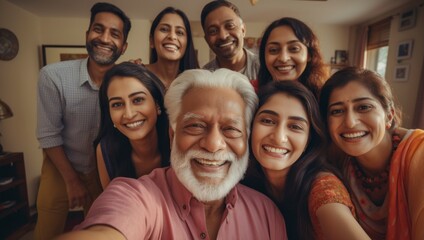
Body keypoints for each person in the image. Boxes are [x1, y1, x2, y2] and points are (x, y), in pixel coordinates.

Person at [55, 69, 287, 240]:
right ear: (172, 134)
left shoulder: (268, 214)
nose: (214, 144)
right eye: (195, 125)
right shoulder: (137, 194)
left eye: (231, 129)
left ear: (246, 139)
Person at [35, 2, 131, 239]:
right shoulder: (53, 75)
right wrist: (71, 180)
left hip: (103, 169)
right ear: (87, 34)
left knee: (101, 228)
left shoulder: (126, 81)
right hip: (60, 164)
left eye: (115, 34)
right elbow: (48, 134)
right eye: (98, 29)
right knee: (47, 230)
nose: (105, 38)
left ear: (124, 46)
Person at [243, 80, 369, 239]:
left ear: (308, 140)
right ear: (251, 126)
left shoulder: (323, 188)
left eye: (295, 126)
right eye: (268, 121)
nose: (279, 137)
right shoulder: (243, 182)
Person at [319, 67, 424, 240]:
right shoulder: (336, 162)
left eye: (363, 107)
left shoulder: (422, 153)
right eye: (337, 111)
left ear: (389, 115)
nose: (350, 122)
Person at [93, 62, 170, 189]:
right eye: (117, 104)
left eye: (138, 100)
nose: (128, 114)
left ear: (157, 104)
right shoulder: (106, 150)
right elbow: (112, 202)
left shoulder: (178, 142)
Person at [257, 17, 328, 97]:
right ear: (264, 56)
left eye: (294, 49)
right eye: (273, 50)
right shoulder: (251, 93)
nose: (283, 58)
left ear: (309, 55)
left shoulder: (325, 96)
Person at [136, 7, 199, 88]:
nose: (172, 36)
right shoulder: (136, 74)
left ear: (187, 44)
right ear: (151, 41)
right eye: (164, 29)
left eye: (180, 32)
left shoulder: (196, 82)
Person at [200, 0, 259, 81]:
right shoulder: (202, 79)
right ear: (206, 39)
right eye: (213, 31)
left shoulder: (265, 68)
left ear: (243, 30)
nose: (223, 36)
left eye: (229, 26)